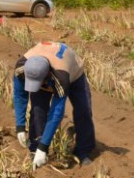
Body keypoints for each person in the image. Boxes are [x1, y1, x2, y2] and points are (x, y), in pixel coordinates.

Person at [13, 41, 96, 169]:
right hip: (46, 70)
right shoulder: (21, 68)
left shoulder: (61, 77)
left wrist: (44, 146)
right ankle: (35, 149)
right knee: (37, 110)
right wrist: (20, 126)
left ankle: (83, 152)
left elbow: (56, 113)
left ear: (47, 75)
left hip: (73, 73)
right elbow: (19, 96)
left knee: (83, 111)